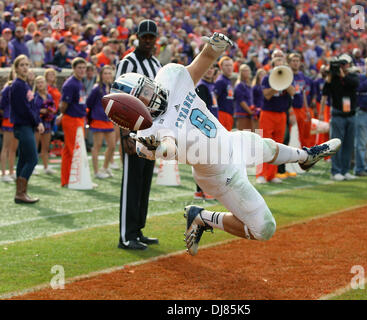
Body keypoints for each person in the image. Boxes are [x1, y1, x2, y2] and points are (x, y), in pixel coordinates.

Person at [113, 32, 341, 256]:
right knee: (264, 229)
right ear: (135, 110)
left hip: (230, 140)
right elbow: (167, 146)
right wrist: (160, 148)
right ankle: (202, 218)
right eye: (141, 98)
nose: (150, 96)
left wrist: (213, 48)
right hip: (221, 174)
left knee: (268, 147)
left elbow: (199, 64)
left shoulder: (170, 76)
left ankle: (305, 157)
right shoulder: (148, 132)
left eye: (147, 88)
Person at [113, 19, 162, 250]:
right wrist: (125, 135)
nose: (148, 40)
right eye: (145, 37)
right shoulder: (127, 62)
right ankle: (126, 235)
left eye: (152, 37)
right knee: (132, 182)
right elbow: (117, 99)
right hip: (133, 129)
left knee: (144, 183)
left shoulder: (156, 64)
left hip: (151, 130)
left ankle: (138, 230)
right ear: (137, 36)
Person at [10, 54, 44, 203]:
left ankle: (21, 193)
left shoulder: (24, 84)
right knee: (32, 159)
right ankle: (20, 193)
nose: (25, 67)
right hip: (23, 125)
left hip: (26, 125)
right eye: (22, 65)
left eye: (26, 64)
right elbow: (25, 109)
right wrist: (37, 122)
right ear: (16, 68)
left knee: (23, 160)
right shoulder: (18, 85)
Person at [256, 57, 296, 184]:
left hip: (281, 114)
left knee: (277, 145)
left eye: (282, 65)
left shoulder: (288, 77)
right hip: (267, 113)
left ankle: (271, 175)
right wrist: (276, 85)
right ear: (272, 67)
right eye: (277, 66)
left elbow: (293, 92)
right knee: (264, 144)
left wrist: (284, 81)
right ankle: (261, 174)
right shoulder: (267, 78)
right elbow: (267, 95)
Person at [320, 55, 359, 181]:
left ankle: (345, 170)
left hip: (351, 114)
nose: (342, 67)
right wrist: (330, 75)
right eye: (340, 65)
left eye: (344, 64)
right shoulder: (332, 78)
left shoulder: (352, 75)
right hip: (338, 115)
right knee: (336, 144)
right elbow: (325, 92)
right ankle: (335, 171)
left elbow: (354, 84)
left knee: (349, 144)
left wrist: (343, 75)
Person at [59, 57, 88, 187]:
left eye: (84, 68)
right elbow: (64, 105)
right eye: (79, 68)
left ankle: (70, 179)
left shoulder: (79, 82)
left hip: (79, 119)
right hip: (71, 119)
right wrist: (62, 114)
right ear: (74, 69)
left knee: (74, 150)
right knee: (72, 150)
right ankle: (68, 180)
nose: (82, 70)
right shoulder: (71, 84)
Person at [194, 64, 218, 200]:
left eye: (212, 68)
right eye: (207, 67)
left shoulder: (211, 85)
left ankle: (201, 190)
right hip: (206, 128)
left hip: (212, 126)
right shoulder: (202, 86)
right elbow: (203, 111)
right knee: (205, 160)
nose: (209, 70)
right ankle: (203, 190)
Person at [86, 65, 115, 179]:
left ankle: (105, 167)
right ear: (101, 75)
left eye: (109, 73)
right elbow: (88, 103)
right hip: (98, 119)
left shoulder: (113, 87)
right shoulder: (96, 88)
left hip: (109, 120)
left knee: (112, 146)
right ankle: (96, 171)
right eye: (105, 73)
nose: (107, 75)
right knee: (97, 146)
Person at [33, 75, 57, 175]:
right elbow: (32, 110)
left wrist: (51, 111)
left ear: (45, 83)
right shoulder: (34, 96)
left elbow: (54, 108)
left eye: (42, 82)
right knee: (35, 146)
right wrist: (41, 111)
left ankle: (46, 167)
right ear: (35, 85)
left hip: (47, 123)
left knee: (46, 147)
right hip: (37, 123)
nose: (40, 84)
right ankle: (33, 167)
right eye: (38, 82)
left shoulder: (49, 96)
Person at [0, 71, 18, 182]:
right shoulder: (8, 87)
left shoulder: (23, 86)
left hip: (17, 120)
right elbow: (1, 104)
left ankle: (11, 171)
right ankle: (3, 173)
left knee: (13, 148)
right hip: (8, 119)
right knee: (6, 147)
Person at [214, 56, 234, 131]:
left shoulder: (227, 80)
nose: (229, 68)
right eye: (226, 65)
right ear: (221, 67)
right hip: (221, 114)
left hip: (228, 114)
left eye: (231, 65)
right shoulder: (220, 81)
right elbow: (215, 98)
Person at [233, 64, 255, 131]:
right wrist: (250, 111)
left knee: (251, 134)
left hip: (249, 113)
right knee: (243, 134)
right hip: (242, 113)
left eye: (248, 70)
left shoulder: (248, 84)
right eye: (244, 71)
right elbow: (241, 101)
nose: (247, 72)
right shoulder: (239, 85)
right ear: (240, 72)